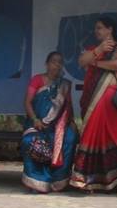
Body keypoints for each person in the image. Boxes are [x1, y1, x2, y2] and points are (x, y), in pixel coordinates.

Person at [70, 16, 117, 191]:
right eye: (96, 28)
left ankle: (113, 180)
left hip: (113, 105)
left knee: (112, 138)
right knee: (92, 134)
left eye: (100, 28)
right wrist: (98, 50)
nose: (96, 31)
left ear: (110, 29)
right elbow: (82, 61)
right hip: (94, 100)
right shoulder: (95, 49)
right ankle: (87, 179)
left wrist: (97, 62)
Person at [20, 51, 79, 193]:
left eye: (60, 62)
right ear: (47, 64)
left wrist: (72, 123)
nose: (57, 65)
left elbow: (67, 107)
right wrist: (35, 120)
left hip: (57, 126)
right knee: (30, 141)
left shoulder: (64, 85)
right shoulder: (37, 80)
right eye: (54, 61)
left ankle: (58, 181)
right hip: (37, 124)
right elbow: (27, 102)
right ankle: (38, 182)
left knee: (70, 137)